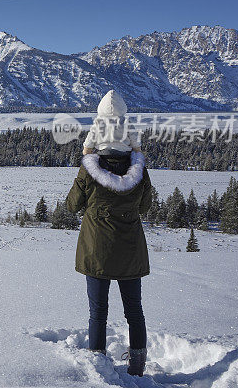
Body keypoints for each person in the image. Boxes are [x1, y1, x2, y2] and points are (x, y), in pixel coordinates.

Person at [66, 89, 152, 377]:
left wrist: (85, 160)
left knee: (97, 312)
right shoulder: (138, 170)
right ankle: (137, 365)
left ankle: (98, 362)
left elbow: (72, 205)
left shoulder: (89, 170)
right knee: (134, 311)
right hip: (130, 250)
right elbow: (146, 206)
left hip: (96, 250)